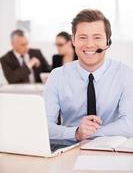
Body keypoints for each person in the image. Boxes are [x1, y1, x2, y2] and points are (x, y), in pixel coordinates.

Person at [44, 9, 133, 146]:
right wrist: (76, 133)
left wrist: (89, 133)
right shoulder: (57, 76)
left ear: (108, 42)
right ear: (73, 40)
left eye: (97, 37)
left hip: (113, 151)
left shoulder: (126, 75)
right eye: (82, 37)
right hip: (68, 150)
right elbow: (43, 128)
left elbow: (129, 125)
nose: (90, 44)